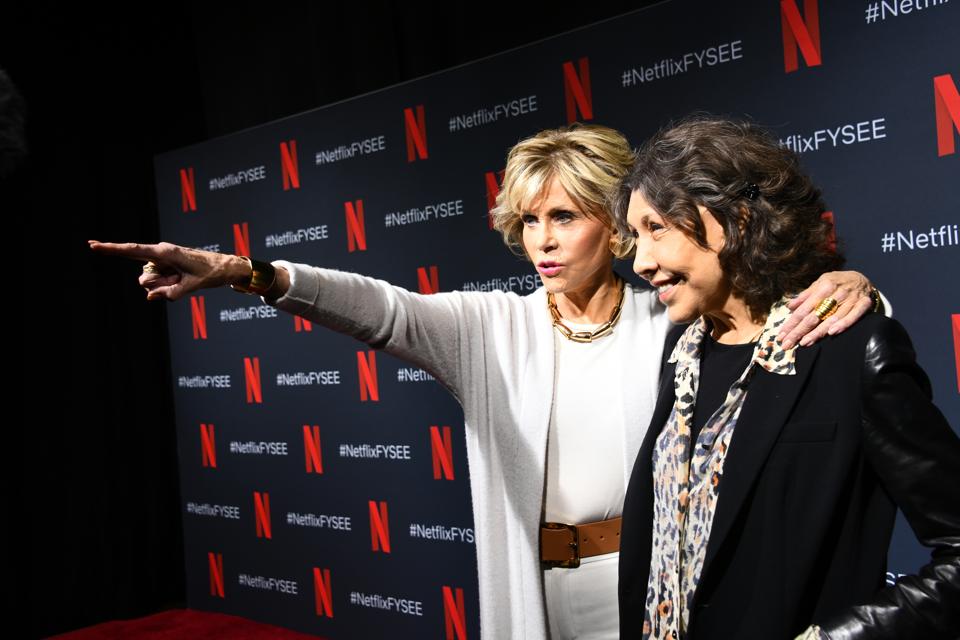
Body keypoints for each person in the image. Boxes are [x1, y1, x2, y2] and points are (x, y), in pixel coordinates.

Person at [89, 123, 879, 640]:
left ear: (615, 223)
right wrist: (244, 271)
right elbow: (380, 309)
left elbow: (777, 315)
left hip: (655, 590)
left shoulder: (673, 317)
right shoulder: (489, 328)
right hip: (538, 596)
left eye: (564, 216)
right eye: (529, 220)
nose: (542, 240)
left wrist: (854, 285)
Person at [614, 116, 960, 640]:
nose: (640, 261)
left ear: (738, 218)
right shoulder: (680, 355)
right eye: (635, 235)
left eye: (657, 228)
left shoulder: (849, 351)